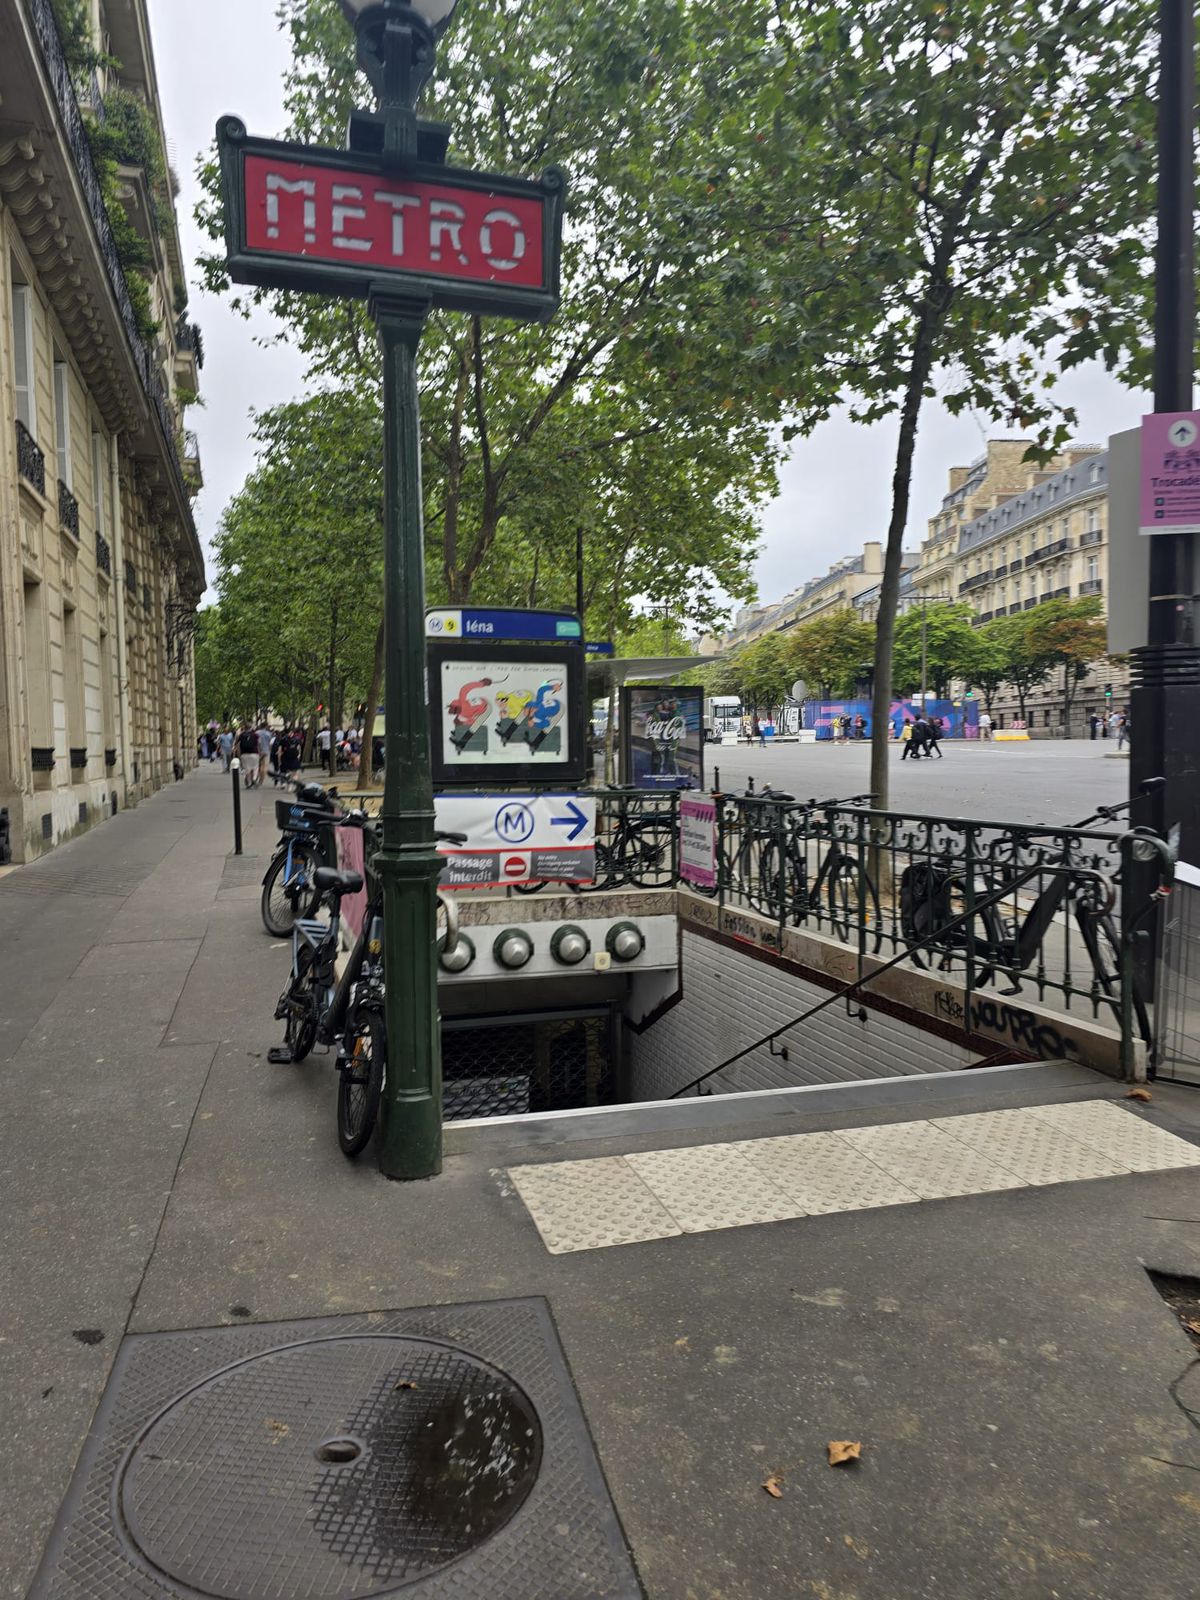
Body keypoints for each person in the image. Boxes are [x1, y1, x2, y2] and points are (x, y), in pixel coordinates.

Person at [256, 720, 272, 785]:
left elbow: (256, 742)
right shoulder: (269, 733)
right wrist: (269, 750)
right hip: (267, 751)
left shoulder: (256, 733)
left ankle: (258, 776)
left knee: (259, 765)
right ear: (266, 726)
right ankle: (262, 779)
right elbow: (270, 744)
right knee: (265, 766)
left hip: (258, 751)